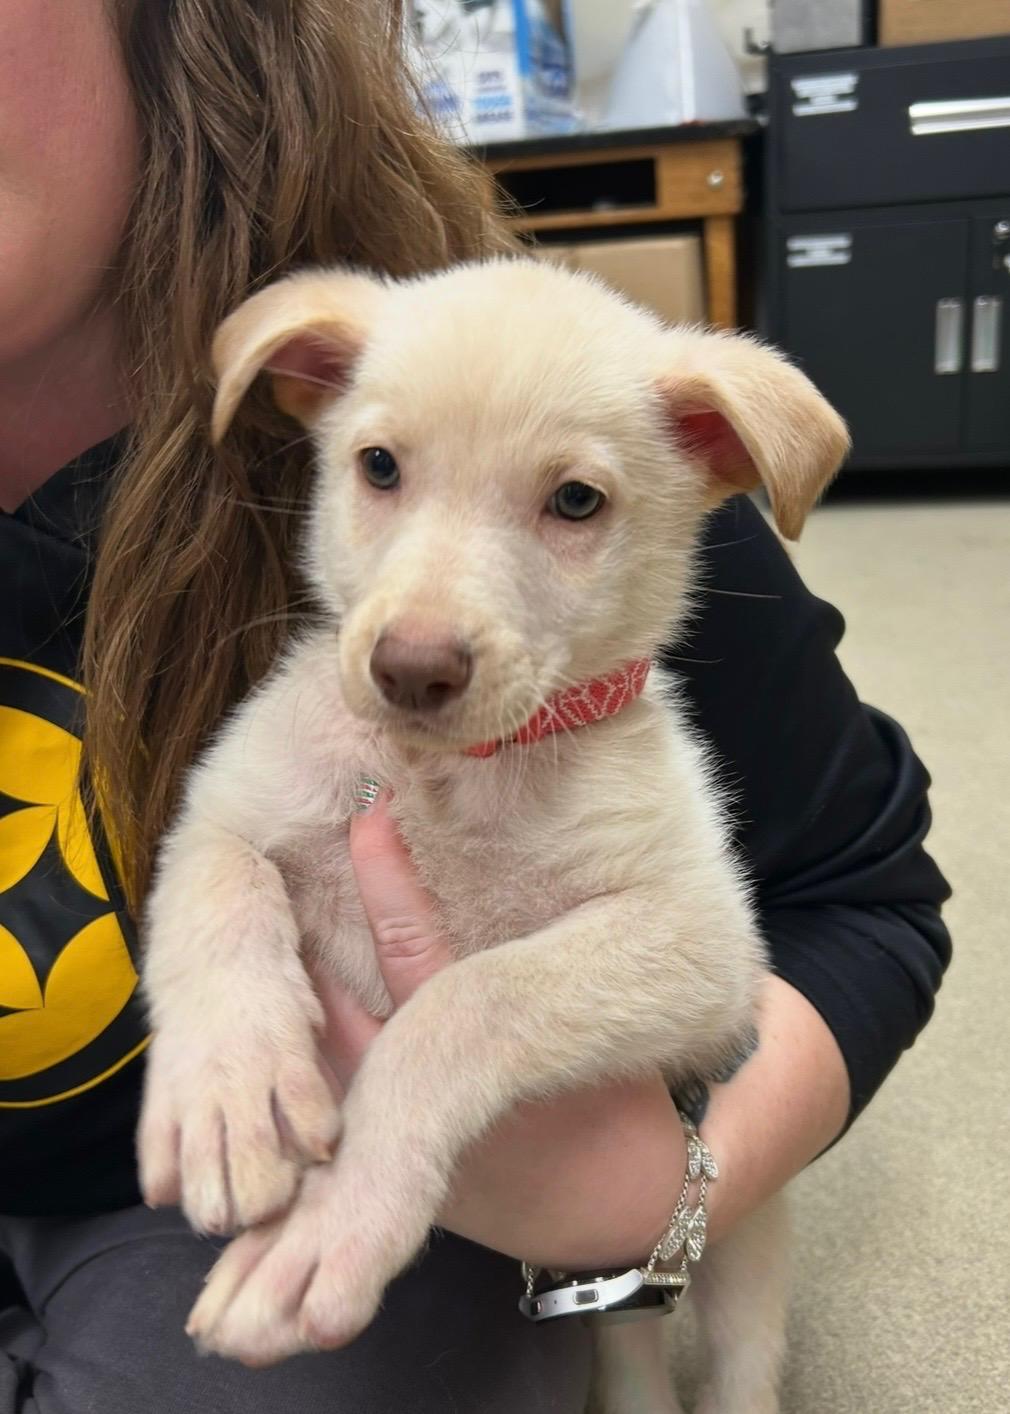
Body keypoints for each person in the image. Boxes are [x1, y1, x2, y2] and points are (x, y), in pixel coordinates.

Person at [0, 2, 951, 1411]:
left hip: (366, 1192)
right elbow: (228, 848)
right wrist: (228, 978)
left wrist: (666, 1187)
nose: (425, 627)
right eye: (380, 469)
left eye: (569, 502)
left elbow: (801, 928)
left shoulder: (577, 450)